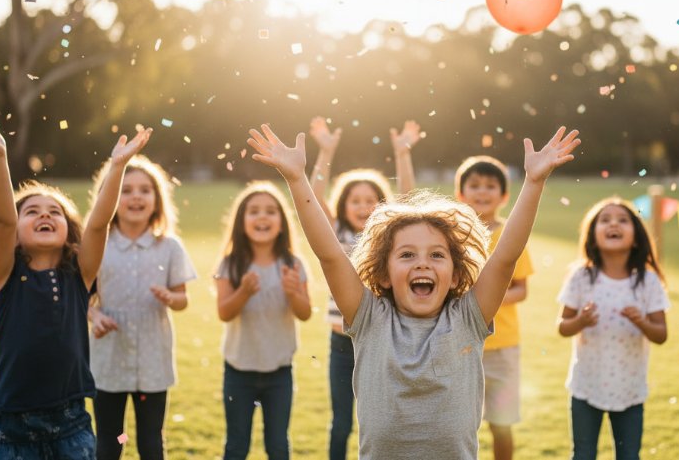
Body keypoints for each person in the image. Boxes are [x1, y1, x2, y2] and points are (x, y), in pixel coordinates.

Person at [248, 123, 581, 460]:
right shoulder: (368, 317)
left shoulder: (469, 317)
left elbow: (506, 256)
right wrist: (296, 179)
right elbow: (331, 255)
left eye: (437, 255)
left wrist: (534, 182)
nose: (423, 263)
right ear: (385, 273)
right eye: (407, 255)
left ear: (455, 275)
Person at [0, 112, 151, 460]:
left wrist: (118, 167)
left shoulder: (79, 276)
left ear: (68, 231)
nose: (45, 215)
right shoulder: (5, 276)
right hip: (7, 424)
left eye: (55, 212)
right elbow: (3, 219)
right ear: (17, 234)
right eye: (31, 212)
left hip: (69, 422)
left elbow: (98, 224)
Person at [307, 116, 421, 460]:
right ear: (343, 205)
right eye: (354, 200)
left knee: (386, 421)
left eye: (370, 200)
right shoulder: (337, 234)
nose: (362, 206)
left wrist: (402, 154)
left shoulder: (389, 239)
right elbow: (311, 198)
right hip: (341, 344)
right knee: (341, 421)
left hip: (384, 340)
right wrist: (326, 151)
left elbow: (411, 201)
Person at [87, 155, 197, 460]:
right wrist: (94, 316)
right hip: (109, 358)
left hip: (153, 359)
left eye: (145, 190)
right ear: (108, 198)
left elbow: (183, 299)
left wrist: (169, 297)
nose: (136, 196)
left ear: (157, 200)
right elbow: (83, 297)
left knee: (150, 441)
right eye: (125, 189)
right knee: (111, 441)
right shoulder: (98, 245)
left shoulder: (170, 246)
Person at [556, 197, 669, 460]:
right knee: (583, 455)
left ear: (637, 237)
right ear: (592, 236)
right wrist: (581, 322)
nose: (613, 224)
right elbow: (562, 326)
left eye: (622, 220)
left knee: (629, 455)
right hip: (586, 386)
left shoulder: (647, 281)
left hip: (630, 388)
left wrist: (641, 322)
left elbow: (661, 334)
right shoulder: (581, 276)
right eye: (605, 220)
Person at [214, 182, 312, 460]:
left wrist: (293, 292)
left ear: (281, 222)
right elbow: (224, 313)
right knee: (236, 445)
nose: (262, 217)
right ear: (241, 221)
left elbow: (305, 314)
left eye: (270, 211)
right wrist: (243, 291)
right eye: (254, 211)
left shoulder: (293, 265)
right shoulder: (230, 265)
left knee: (278, 445)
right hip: (238, 371)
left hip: (280, 371)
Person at [454, 156, 534, 460]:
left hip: (502, 346)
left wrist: (484, 299)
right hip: (460, 343)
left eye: (490, 186)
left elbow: (521, 289)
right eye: (474, 185)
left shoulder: (511, 237)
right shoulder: (454, 237)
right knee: (459, 423)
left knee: (501, 424)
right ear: (460, 194)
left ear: (504, 195)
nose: (482, 192)